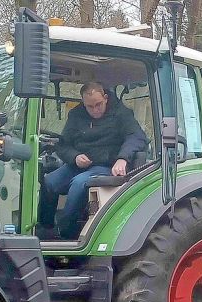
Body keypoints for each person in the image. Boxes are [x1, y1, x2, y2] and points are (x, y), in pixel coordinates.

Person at [37, 81, 148, 240]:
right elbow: (63, 145)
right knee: (49, 182)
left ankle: (67, 233)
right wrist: (74, 157)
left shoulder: (121, 113)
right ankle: (46, 229)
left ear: (105, 97)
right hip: (79, 164)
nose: (95, 110)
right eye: (90, 106)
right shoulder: (76, 115)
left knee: (79, 183)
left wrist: (122, 158)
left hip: (107, 165)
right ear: (83, 103)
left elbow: (136, 137)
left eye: (98, 104)